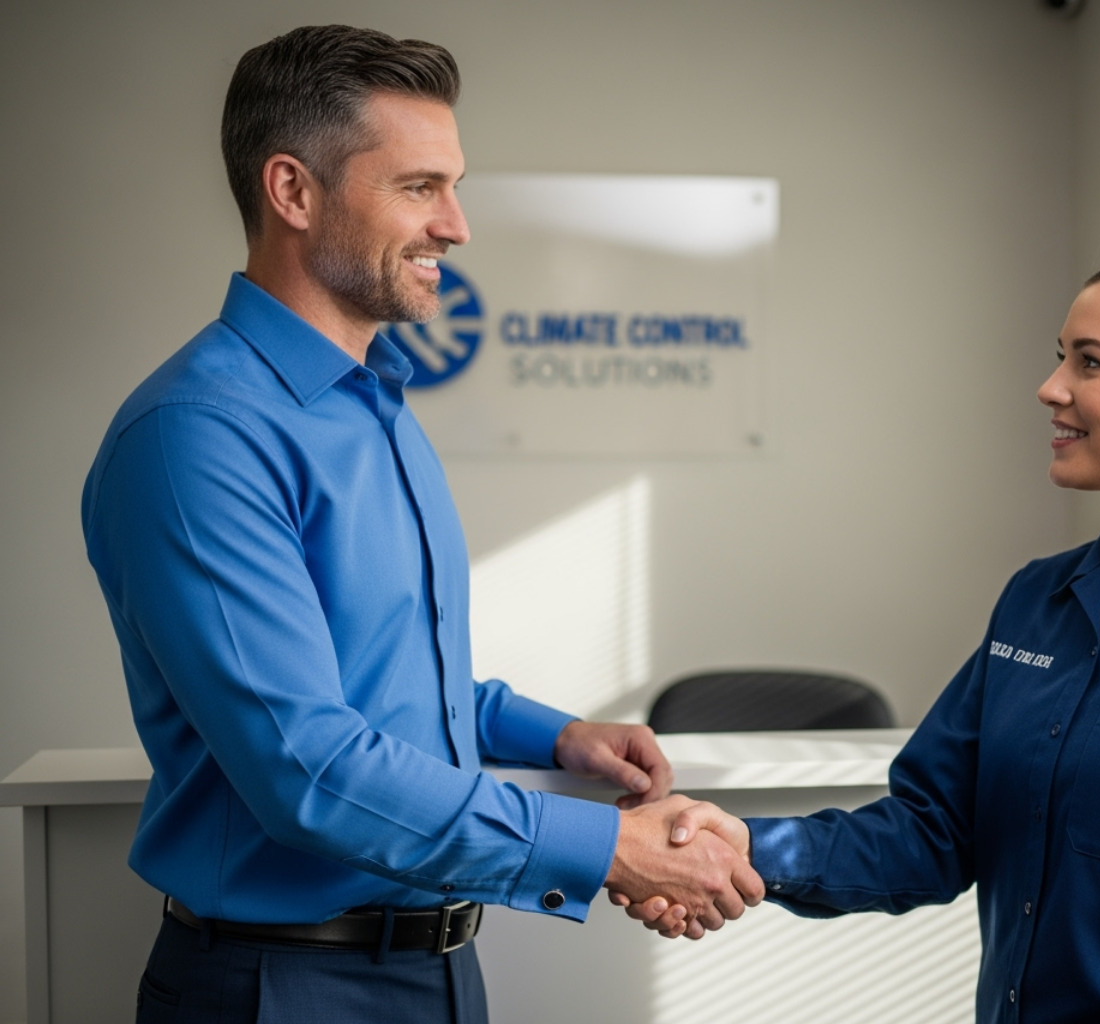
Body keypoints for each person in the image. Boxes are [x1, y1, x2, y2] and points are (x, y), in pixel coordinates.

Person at [81, 24, 758, 1023]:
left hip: (437, 974)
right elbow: (308, 765)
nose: (456, 225)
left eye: (454, 185)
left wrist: (558, 734)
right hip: (282, 986)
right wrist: (606, 847)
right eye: (419, 187)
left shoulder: (373, 406)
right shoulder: (199, 435)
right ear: (293, 192)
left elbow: (397, 684)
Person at [646, 251, 1100, 1022]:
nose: (1051, 388)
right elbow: (933, 829)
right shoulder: (1037, 599)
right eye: (1061, 357)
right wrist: (744, 847)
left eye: (1091, 363)